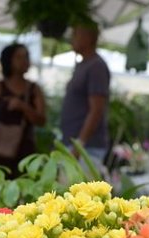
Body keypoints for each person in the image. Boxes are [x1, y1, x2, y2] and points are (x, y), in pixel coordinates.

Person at [0, 43, 47, 176]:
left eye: (26, 57)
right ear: (9, 60)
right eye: (19, 57)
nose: (25, 61)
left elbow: (41, 120)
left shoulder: (33, 89)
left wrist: (23, 107)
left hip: (23, 152)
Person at [60, 21, 111, 172]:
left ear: (88, 37)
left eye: (75, 34)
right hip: (76, 145)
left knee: (79, 193)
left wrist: (79, 145)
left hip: (87, 149)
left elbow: (96, 109)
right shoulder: (84, 64)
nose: (71, 38)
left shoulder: (96, 66)